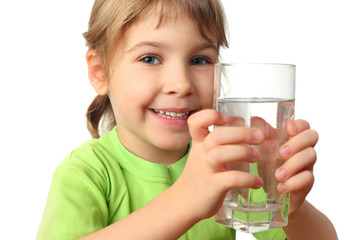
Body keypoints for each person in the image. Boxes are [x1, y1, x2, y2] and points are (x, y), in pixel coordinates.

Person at [37, 0, 338, 239]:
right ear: (99, 71)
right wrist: (184, 200)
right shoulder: (86, 173)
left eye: (199, 60)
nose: (181, 84)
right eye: (150, 58)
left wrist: (294, 209)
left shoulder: (225, 162)